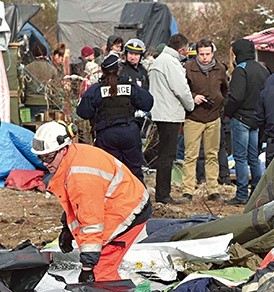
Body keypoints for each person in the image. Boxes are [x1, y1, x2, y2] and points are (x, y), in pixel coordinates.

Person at [31, 121, 152, 283]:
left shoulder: (81, 177)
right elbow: (75, 202)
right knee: (99, 267)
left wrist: (88, 268)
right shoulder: (73, 157)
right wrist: (67, 228)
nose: (45, 163)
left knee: (101, 273)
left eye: (49, 157)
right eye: (41, 158)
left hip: (126, 210)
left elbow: (91, 223)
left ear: (64, 149)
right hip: (121, 201)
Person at [77, 54, 153, 183]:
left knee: (109, 173)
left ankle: (112, 202)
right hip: (129, 132)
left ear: (103, 71)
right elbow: (148, 103)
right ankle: (141, 202)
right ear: (119, 69)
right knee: (134, 172)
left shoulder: (96, 89)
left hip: (106, 135)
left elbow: (83, 112)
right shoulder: (130, 87)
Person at [148, 33, 194, 204]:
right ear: (181, 49)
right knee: (167, 156)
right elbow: (181, 89)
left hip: (160, 112)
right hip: (169, 114)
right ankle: (163, 195)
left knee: (163, 154)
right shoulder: (171, 63)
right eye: (187, 49)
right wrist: (190, 106)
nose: (188, 52)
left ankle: (162, 193)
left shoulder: (159, 60)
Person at [223, 38, 269, 205]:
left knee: (240, 158)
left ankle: (241, 194)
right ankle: (256, 192)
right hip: (256, 119)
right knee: (254, 158)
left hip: (241, 118)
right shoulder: (262, 70)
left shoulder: (241, 70)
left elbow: (235, 97)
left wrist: (227, 112)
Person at [182, 39, 228, 202]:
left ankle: (213, 189)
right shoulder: (188, 68)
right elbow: (183, 90)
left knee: (212, 154)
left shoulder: (220, 68)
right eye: (201, 54)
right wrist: (194, 98)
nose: (205, 58)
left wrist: (220, 101)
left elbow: (224, 89)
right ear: (197, 54)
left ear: (212, 53)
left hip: (214, 117)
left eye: (207, 54)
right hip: (194, 117)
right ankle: (187, 189)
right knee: (191, 155)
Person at [23, 42, 60, 118]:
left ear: (33, 54)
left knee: (31, 127)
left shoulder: (27, 68)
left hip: (30, 103)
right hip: (46, 103)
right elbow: (56, 90)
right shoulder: (52, 69)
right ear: (45, 53)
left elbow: (23, 87)